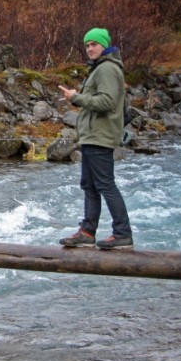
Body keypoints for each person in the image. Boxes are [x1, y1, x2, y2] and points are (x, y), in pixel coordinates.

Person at [58, 27, 133, 249]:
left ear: (104, 45)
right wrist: (78, 98)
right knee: (89, 186)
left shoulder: (107, 69)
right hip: (93, 136)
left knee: (105, 185)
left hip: (100, 136)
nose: (90, 48)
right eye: (87, 45)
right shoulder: (100, 68)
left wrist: (77, 98)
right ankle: (88, 232)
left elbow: (107, 102)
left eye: (94, 44)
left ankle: (123, 234)